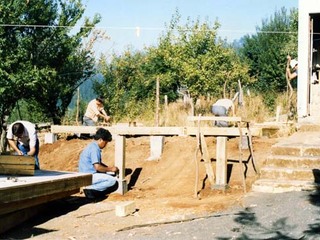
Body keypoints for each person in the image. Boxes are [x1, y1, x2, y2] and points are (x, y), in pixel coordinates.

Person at [79, 128, 119, 199]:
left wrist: (108, 169)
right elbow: (97, 167)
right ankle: (90, 189)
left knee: (109, 175)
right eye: (105, 142)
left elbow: (97, 164)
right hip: (89, 175)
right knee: (113, 181)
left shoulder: (92, 146)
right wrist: (111, 169)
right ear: (100, 140)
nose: (105, 145)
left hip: (85, 174)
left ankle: (91, 189)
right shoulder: (95, 149)